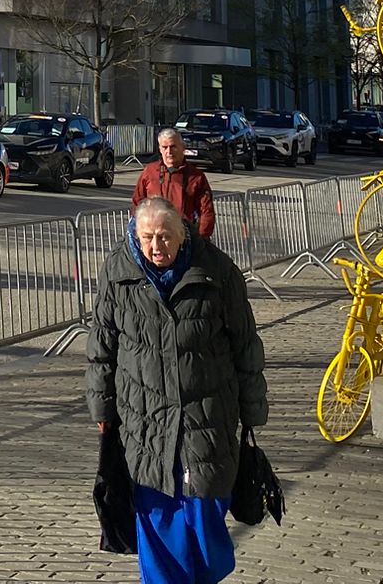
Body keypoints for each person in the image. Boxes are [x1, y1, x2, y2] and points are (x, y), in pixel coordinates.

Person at [88, 197, 267, 584]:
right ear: (135, 236)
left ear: (183, 232)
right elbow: (102, 347)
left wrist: (253, 411)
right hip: (144, 419)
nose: (156, 246)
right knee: (157, 518)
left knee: (206, 526)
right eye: (148, 237)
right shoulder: (118, 272)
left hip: (206, 419)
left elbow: (246, 345)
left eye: (165, 236)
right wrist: (103, 410)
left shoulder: (216, 270)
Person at [131, 129, 216, 239]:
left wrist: (201, 239)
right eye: (164, 147)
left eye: (173, 147)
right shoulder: (150, 172)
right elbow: (137, 203)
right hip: (154, 237)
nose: (169, 152)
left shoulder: (196, 177)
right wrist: (138, 233)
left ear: (183, 148)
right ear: (160, 149)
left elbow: (206, 212)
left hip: (183, 237)